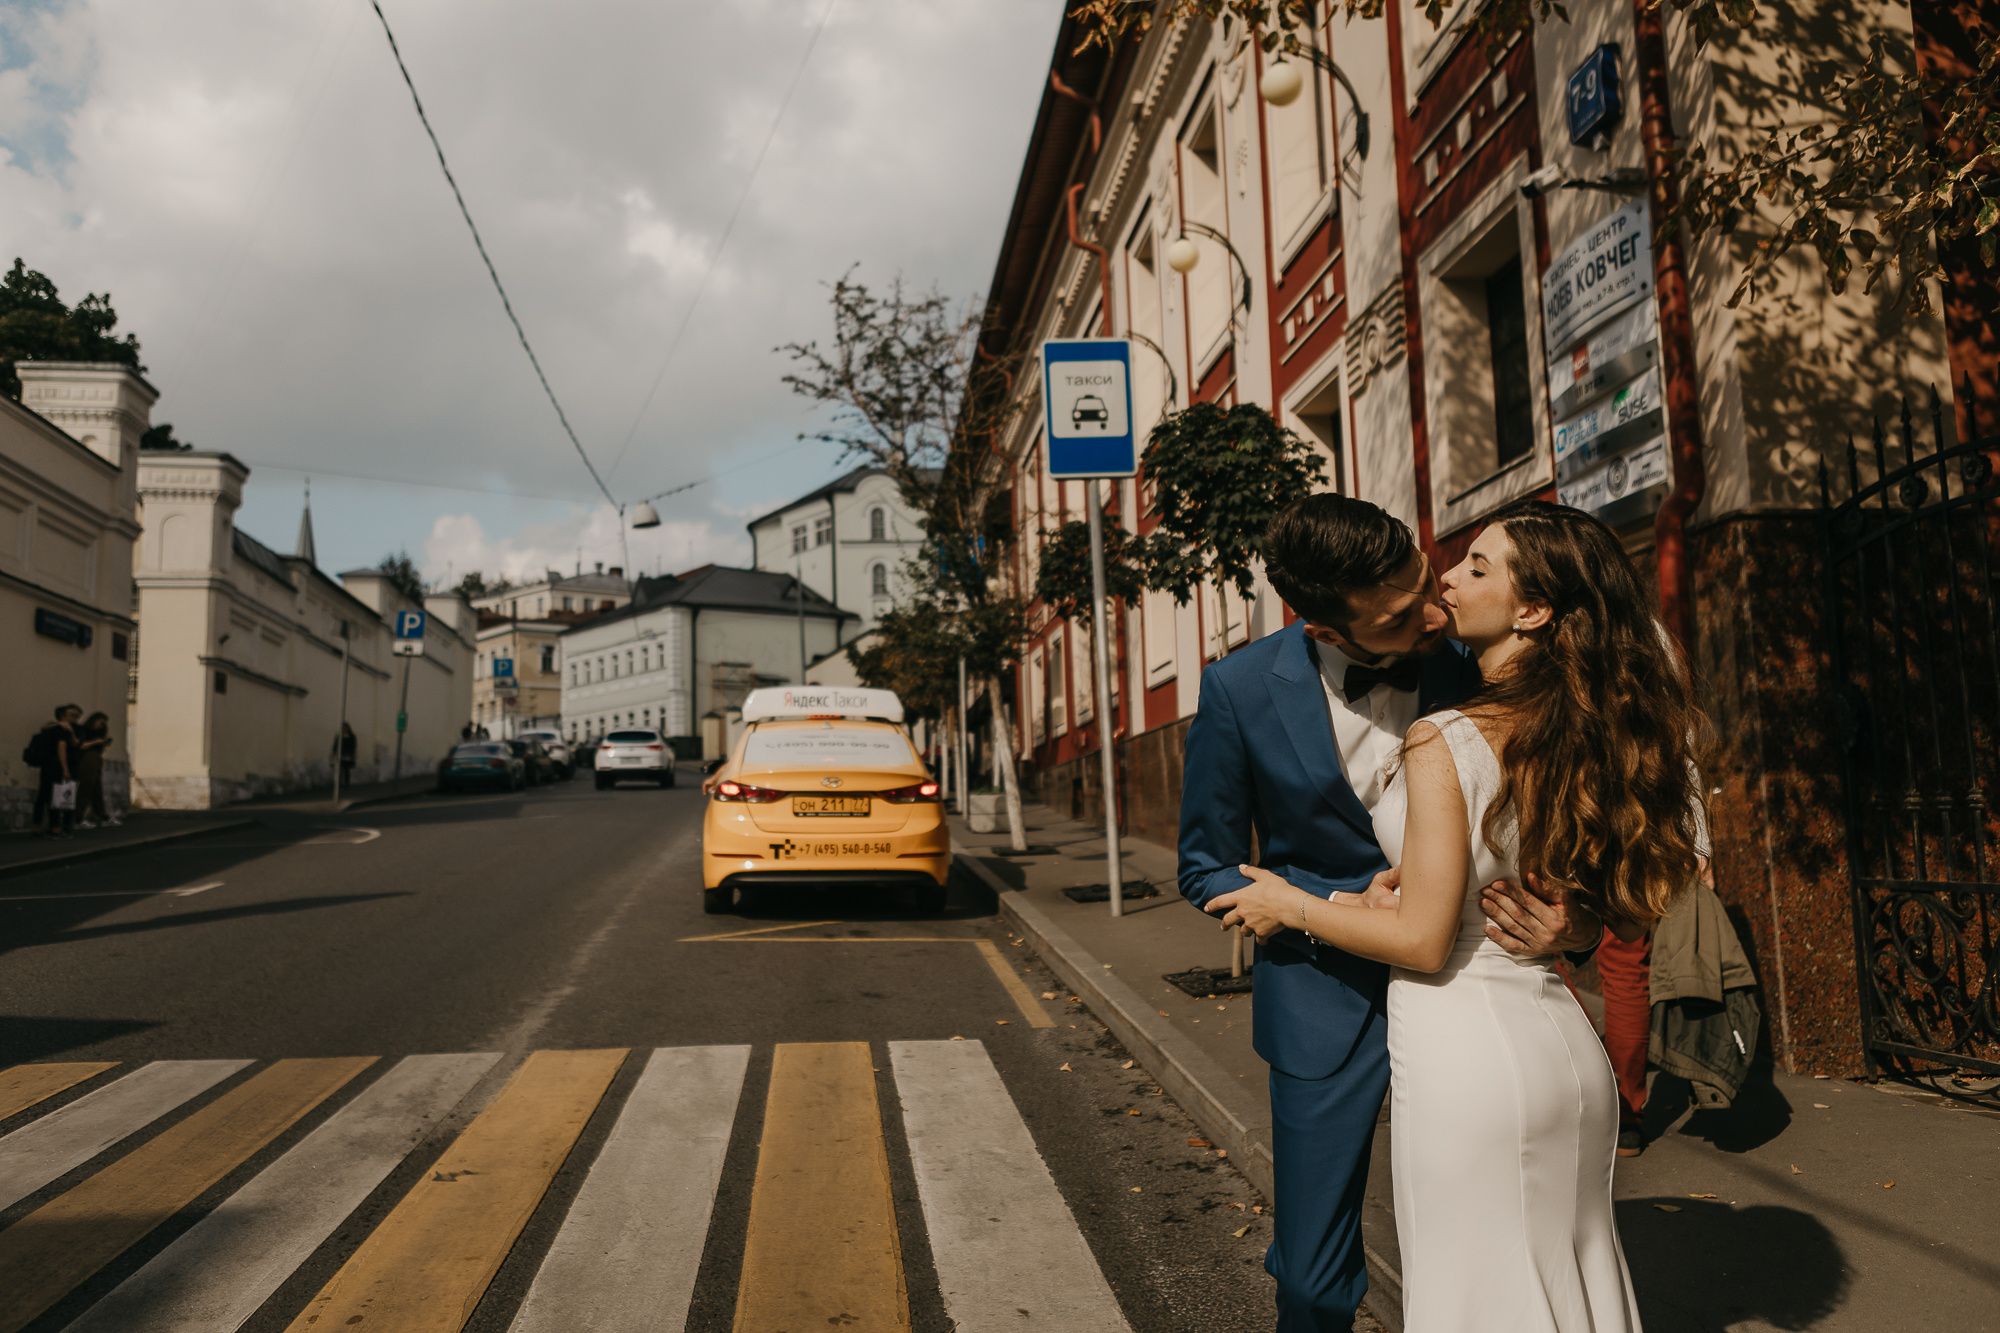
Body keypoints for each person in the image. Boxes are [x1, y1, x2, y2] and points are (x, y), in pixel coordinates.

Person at [1211, 500, 1709, 1332]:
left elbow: (1424, 936)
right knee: (1571, 1287)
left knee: (1477, 1298)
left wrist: (1289, 902)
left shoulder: (1448, 727)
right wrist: (1573, 923)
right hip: (1558, 1048)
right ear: (1331, 629)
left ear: (1534, 608)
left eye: (1475, 567)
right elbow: (1616, 861)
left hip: (1466, 1051)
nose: (1445, 582)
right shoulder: (1581, 710)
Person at [30, 704, 81, 839]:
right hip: (57, 767)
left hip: (46, 766)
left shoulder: (50, 728)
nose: (75, 719)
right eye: (72, 715)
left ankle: (37, 826)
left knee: (43, 797)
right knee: (57, 798)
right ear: (64, 716)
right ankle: (56, 828)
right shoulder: (63, 730)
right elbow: (62, 748)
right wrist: (65, 769)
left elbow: (43, 729)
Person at [73, 711, 117, 829]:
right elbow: (81, 745)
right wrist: (97, 742)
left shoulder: (99, 732)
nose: (101, 726)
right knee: (86, 788)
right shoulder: (84, 731)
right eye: (100, 723)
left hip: (95, 758)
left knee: (96, 788)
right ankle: (78, 817)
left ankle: (102, 815)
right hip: (87, 759)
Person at [332, 722, 357, 789]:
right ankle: (339, 784)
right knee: (340, 770)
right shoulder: (339, 736)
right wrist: (333, 754)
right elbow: (335, 746)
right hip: (341, 755)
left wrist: (353, 755)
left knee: (346, 770)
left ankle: (346, 784)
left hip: (348, 755)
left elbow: (354, 746)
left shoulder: (351, 737)